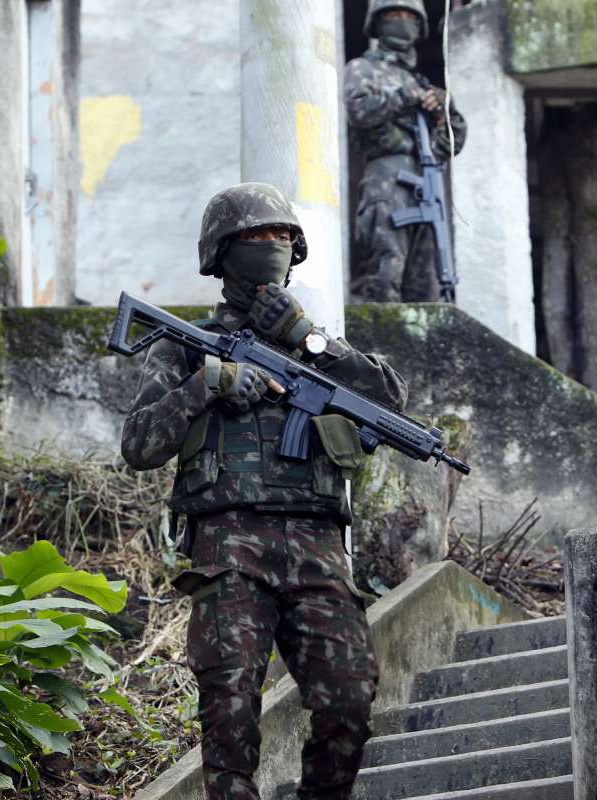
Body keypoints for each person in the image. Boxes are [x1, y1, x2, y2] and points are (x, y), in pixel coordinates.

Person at [120, 182, 408, 800]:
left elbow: (390, 402)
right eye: (256, 236)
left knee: (350, 698)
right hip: (228, 546)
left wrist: (308, 337)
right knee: (229, 719)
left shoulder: (316, 345)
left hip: (318, 547)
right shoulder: (185, 345)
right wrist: (209, 385)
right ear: (222, 252)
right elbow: (139, 445)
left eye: (281, 236)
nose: (271, 245)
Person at [344, 0, 467, 302]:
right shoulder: (363, 69)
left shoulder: (420, 82)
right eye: (393, 15)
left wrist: (445, 110)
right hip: (386, 181)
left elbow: (451, 144)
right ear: (377, 23)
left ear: (420, 26)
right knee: (384, 276)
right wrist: (403, 96)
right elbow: (358, 110)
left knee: (426, 286)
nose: (401, 22)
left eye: (409, 16)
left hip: (426, 182)